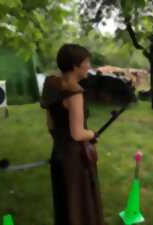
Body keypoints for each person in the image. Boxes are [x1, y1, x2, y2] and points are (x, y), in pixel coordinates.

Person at [40, 44, 105, 225]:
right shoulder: (75, 92)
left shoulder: (51, 85)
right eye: (86, 62)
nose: (88, 66)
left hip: (58, 153)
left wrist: (60, 142)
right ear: (76, 66)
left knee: (64, 205)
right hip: (75, 159)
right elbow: (77, 134)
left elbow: (50, 124)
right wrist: (92, 134)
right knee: (80, 206)